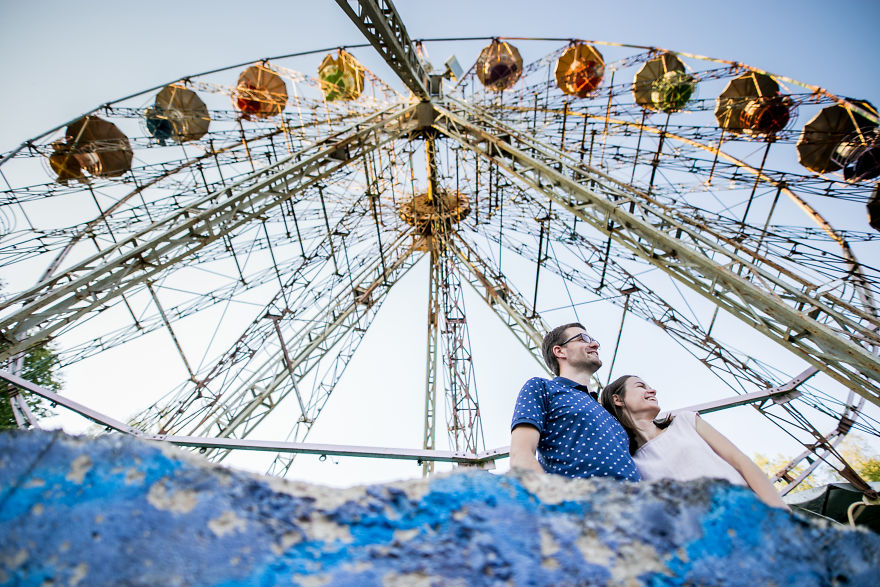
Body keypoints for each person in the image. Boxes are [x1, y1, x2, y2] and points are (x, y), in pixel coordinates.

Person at [600, 375, 789, 510]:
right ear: (617, 399)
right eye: (641, 386)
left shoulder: (685, 422)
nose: (652, 390)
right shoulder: (629, 462)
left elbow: (740, 460)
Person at [509, 323, 640, 481]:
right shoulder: (542, 388)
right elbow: (521, 455)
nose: (595, 344)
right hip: (581, 500)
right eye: (583, 339)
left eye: (592, 339)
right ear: (559, 351)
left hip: (634, 501)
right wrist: (553, 499)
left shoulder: (606, 411)